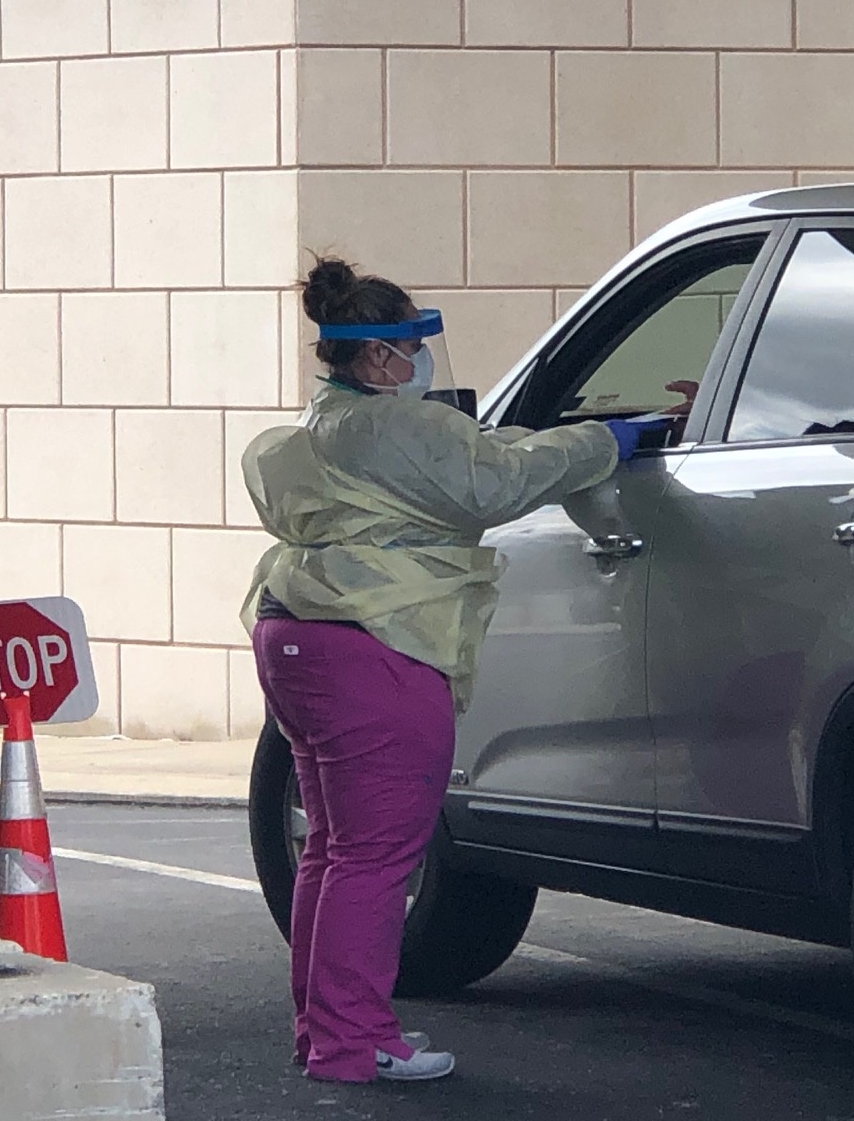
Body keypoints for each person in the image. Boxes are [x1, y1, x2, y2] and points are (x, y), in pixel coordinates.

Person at [242, 257, 647, 1085]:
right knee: (378, 855)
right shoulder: (407, 430)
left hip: (298, 637)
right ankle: (357, 1041)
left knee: (332, 848)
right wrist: (607, 440)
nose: (421, 367)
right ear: (387, 354)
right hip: (381, 641)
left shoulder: (319, 431)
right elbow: (499, 480)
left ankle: (327, 1032)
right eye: (410, 349)